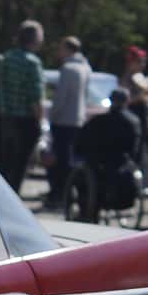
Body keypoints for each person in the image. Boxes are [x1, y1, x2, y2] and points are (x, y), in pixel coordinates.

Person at [72, 88, 144, 221]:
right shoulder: (133, 122)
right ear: (127, 101)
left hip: (98, 163)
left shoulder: (98, 121)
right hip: (121, 163)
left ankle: (86, 211)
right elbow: (136, 149)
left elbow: (81, 142)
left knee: (82, 178)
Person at [0, 21, 46, 191]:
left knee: (6, 163)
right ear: (35, 39)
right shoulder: (32, 62)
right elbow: (36, 97)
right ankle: (13, 199)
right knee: (20, 165)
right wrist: (40, 120)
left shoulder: (6, 58)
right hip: (25, 120)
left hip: (6, 118)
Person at [47, 36, 91, 208]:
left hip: (63, 120)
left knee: (60, 161)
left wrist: (53, 115)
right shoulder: (86, 68)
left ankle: (58, 193)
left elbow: (60, 98)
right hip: (78, 119)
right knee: (70, 159)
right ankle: (68, 192)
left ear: (68, 49)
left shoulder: (68, 68)